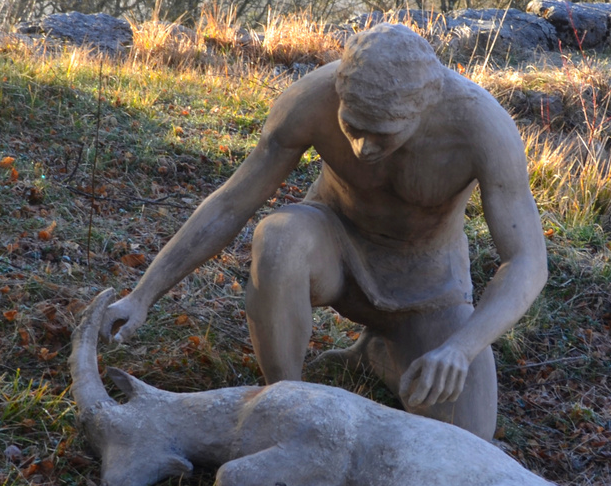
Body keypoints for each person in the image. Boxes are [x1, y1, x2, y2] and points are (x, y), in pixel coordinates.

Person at [101, 23, 547, 440]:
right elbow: (232, 202)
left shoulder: (480, 127)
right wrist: (142, 295)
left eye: (382, 135)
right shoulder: (312, 99)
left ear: (424, 107)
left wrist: (461, 347)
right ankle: (287, 406)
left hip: (427, 284)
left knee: (468, 437)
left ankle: (380, 352)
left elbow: (527, 261)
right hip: (332, 247)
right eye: (352, 127)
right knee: (278, 238)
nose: (361, 147)